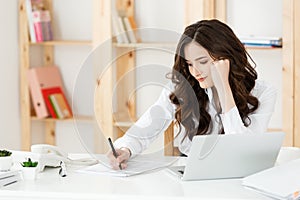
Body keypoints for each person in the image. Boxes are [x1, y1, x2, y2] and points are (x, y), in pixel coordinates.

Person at [107, 19, 277, 170]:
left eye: (202, 62)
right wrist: (125, 149)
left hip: (239, 174)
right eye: (189, 64)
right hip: (190, 172)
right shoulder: (180, 88)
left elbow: (243, 151)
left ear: (227, 59)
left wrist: (223, 86)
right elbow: (146, 128)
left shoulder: (263, 93)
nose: (195, 72)